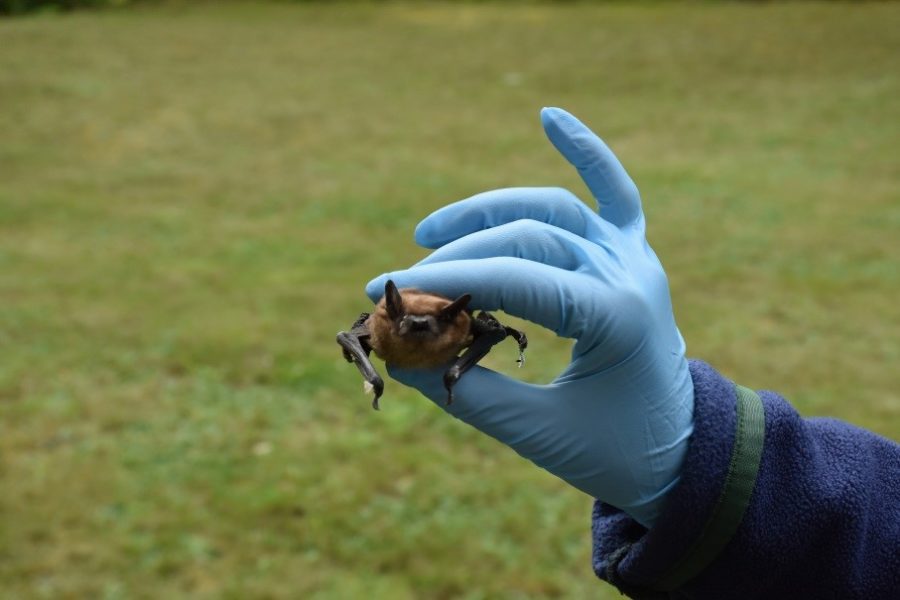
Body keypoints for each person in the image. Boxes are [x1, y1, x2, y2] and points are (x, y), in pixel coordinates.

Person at [364, 108, 899, 598]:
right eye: (401, 318)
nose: (412, 324)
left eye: (426, 320)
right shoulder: (385, 324)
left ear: (457, 318)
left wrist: (720, 481)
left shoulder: (459, 327)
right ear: (388, 311)